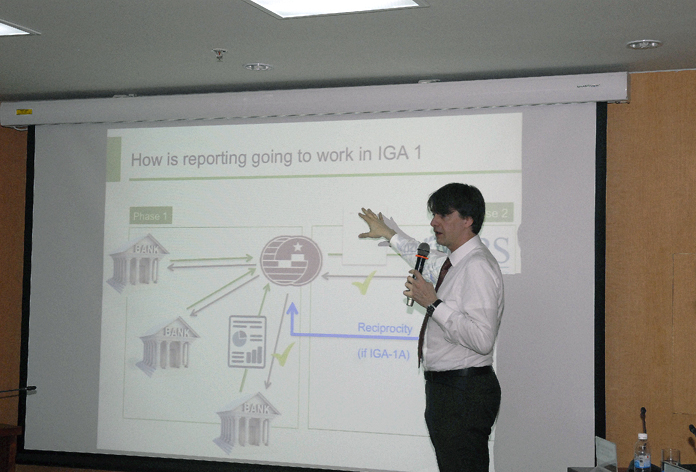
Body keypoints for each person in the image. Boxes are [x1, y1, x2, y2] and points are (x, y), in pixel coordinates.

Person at [358, 182, 503, 472]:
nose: (434, 222)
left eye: (443, 215)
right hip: (451, 390)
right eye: (434, 214)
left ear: (468, 219)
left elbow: (482, 338)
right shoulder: (456, 262)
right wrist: (389, 233)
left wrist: (433, 304)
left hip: (463, 392)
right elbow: (423, 256)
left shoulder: (477, 266)